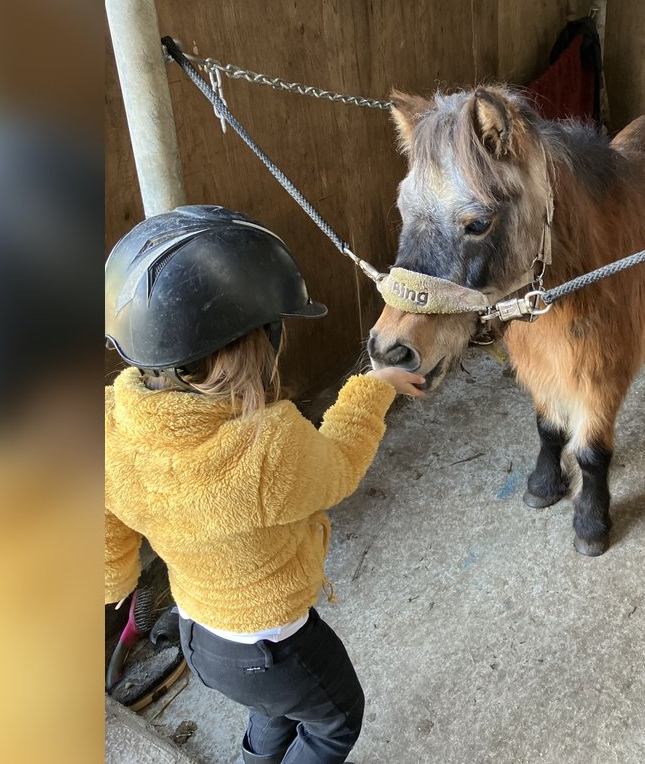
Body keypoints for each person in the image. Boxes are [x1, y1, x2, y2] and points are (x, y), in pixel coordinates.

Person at [104, 205, 424, 764]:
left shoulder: (107, 428)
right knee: (335, 720)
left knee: (275, 707)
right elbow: (341, 464)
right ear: (254, 345)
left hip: (198, 634)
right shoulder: (266, 448)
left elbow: (105, 533)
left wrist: (113, 579)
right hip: (274, 643)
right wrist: (375, 388)